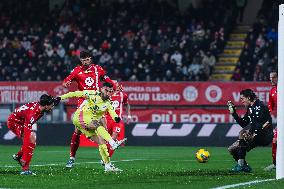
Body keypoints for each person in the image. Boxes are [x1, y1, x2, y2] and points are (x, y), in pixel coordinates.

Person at [62, 50, 116, 168]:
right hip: (84, 102)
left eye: (87, 59)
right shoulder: (76, 70)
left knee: (103, 128)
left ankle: (106, 161)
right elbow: (67, 80)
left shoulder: (98, 69)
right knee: (77, 131)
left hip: (98, 101)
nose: (86, 61)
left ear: (90, 59)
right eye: (83, 60)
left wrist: (114, 85)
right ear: (80, 60)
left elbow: (107, 80)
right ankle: (72, 157)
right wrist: (66, 83)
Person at [57, 82, 126, 172]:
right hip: (79, 117)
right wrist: (60, 98)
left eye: (110, 92)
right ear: (102, 89)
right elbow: (75, 93)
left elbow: (112, 112)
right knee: (97, 124)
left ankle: (107, 165)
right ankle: (113, 143)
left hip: (89, 123)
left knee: (102, 142)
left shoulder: (108, 102)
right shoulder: (92, 93)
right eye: (107, 90)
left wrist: (116, 118)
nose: (108, 93)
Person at [8, 94, 58, 175]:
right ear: (45, 106)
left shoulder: (41, 107)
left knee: (32, 140)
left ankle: (18, 156)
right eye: (51, 106)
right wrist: (24, 157)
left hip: (21, 121)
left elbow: (54, 102)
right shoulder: (32, 114)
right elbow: (26, 138)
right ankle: (25, 169)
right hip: (14, 122)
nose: (52, 107)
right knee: (31, 140)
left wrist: (59, 99)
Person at [227, 89, 273, 172]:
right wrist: (234, 113)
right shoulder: (250, 108)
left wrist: (253, 133)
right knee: (232, 149)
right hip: (255, 134)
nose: (241, 101)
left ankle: (240, 165)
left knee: (242, 134)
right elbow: (243, 123)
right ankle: (244, 166)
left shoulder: (260, 106)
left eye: (242, 98)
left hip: (265, 135)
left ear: (248, 98)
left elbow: (265, 123)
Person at [105, 81, 131, 158]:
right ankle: (105, 158)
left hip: (117, 120)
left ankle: (107, 159)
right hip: (107, 119)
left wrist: (129, 116)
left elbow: (127, 105)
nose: (115, 84)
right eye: (113, 83)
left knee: (114, 137)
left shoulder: (123, 95)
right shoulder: (106, 95)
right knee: (107, 140)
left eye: (116, 83)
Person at [264, 71, 277, 171]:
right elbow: (270, 108)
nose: (271, 79)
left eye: (274, 77)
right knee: (274, 140)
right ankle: (275, 163)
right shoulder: (272, 91)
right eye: (270, 78)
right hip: (281, 121)